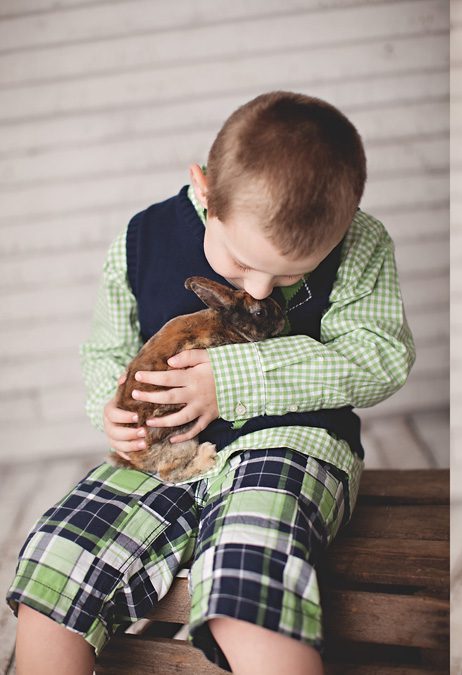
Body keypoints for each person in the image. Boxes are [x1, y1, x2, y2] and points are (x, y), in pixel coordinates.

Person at [7, 91, 415, 675]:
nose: (259, 291)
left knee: (249, 580)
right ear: (205, 191)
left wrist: (237, 377)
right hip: (159, 455)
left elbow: (380, 356)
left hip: (290, 444)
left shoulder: (361, 244)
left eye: (291, 274)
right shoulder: (141, 239)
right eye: (242, 263)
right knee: (58, 561)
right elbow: (106, 348)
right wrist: (109, 405)